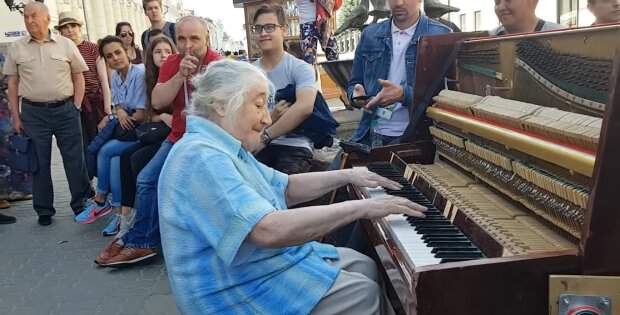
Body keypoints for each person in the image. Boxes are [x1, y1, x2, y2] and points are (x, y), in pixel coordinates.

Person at [158, 60, 426, 315]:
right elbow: (267, 230)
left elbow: (284, 187)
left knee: (364, 265)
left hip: (252, 268)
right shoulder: (203, 158)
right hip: (228, 292)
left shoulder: (221, 146)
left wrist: (349, 176)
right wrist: (363, 207)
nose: (267, 119)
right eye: (259, 105)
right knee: (362, 294)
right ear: (220, 104)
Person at [95, 16, 222, 267]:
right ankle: (141, 240)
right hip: (178, 137)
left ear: (206, 38)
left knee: (156, 178)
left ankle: (141, 238)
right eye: (182, 39)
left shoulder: (217, 65)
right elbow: (157, 102)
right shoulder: (173, 63)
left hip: (207, 139)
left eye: (194, 38)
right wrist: (179, 76)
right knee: (146, 178)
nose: (188, 45)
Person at [3, 2, 91, 226]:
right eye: (25, 17)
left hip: (65, 110)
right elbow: (12, 84)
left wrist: (76, 106)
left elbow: (78, 76)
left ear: (47, 19)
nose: (29, 20)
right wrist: (16, 116)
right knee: (39, 163)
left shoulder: (65, 44)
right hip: (33, 112)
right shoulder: (17, 47)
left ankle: (80, 203)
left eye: (34, 16)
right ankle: (44, 210)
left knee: (74, 160)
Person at [347, 0, 451, 147]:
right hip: (369, 133)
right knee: (334, 169)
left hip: (416, 137)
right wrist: (355, 96)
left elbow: (447, 94)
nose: (399, 3)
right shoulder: (370, 34)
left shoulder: (440, 35)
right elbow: (353, 84)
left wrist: (404, 95)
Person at [75, 36, 146, 237]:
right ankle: (117, 212)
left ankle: (100, 201)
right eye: (109, 56)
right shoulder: (115, 76)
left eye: (118, 53)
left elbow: (141, 115)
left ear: (126, 52)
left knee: (105, 151)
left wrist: (121, 113)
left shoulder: (139, 73)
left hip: (143, 132)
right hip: (128, 131)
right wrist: (120, 112)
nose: (115, 58)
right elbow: (118, 105)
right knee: (115, 161)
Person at [108, 36, 175, 239]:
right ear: (150, 56)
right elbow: (148, 115)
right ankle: (127, 215)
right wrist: (163, 116)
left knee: (137, 159)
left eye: (167, 51)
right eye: (157, 52)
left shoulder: (178, 75)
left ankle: (145, 217)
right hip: (156, 133)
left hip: (174, 136)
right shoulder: (150, 78)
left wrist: (165, 118)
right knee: (126, 156)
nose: (163, 56)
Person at [252, 4, 318, 175]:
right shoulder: (248, 73)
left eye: (270, 27)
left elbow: (304, 107)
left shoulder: (300, 68)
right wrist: (271, 117)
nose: (263, 33)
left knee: (286, 189)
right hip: (255, 144)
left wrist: (266, 137)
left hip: (294, 146)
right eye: (258, 28)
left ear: (284, 30)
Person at [56, 11, 112, 174]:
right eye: (65, 27)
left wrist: (107, 107)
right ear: (61, 31)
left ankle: (104, 182)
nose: (70, 30)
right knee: (80, 146)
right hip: (74, 104)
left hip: (96, 103)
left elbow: (103, 79)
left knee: (100, 143)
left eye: (73, 26)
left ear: (79, 27)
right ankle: (87, 185)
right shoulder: (61, 50)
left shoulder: (93, 48)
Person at [295, 0, 340, 65]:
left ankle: (336, 74)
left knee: (333, 57)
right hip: (307, 23)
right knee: (309, 61)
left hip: (324, 22)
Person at [491, 0, 565, 35]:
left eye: (508, 0)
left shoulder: (562, 37)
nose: (501, 7)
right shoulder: (490, 38)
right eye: (497, 2)